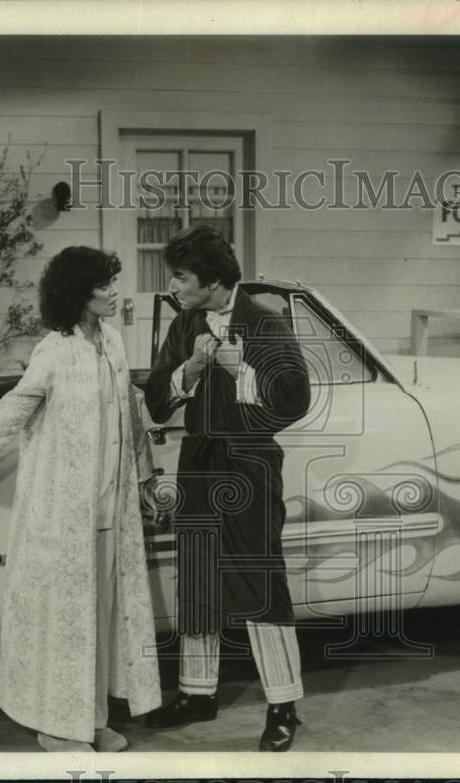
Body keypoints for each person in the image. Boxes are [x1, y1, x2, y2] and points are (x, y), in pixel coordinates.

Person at [0, 246, 161, 752]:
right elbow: (14, 408)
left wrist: (145, 477)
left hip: (111, 514)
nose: (114, 293)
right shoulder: (55, 349)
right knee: (64, 627)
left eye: (113, 283)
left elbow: (130, 416)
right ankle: (57, 727)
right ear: (78, 292)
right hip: (63, 516)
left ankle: (91, 722)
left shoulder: (112, 342)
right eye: (105, 286)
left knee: (99, 625)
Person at [143, 224, 310, 752]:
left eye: (182, 276)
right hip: (199, 460)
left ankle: (284, 706)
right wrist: (188, 370)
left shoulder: (266, 320)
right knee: (197, 576)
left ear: (213, 281)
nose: (175, 284)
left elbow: (294, 399)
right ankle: (197, 694)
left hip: (251, 464)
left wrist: (245, 375)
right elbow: (155, 398)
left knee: (259, 581)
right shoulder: (185, 320)